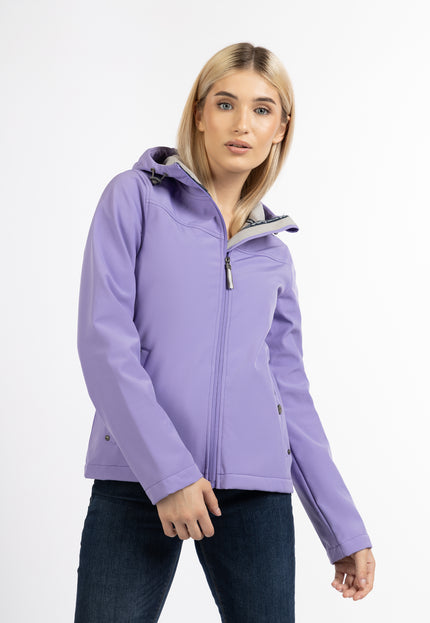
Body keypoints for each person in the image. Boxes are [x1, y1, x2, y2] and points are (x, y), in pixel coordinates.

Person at [73, 42, 375, 622]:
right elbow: (104, 342)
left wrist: (343, 528)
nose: (242, 124)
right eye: (225, 103)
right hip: (138, 477)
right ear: (198, 114)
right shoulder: (134, 199)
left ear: (280, 128)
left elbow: (290, 395)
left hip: (254, 493)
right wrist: (170, 475)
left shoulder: (273, 253)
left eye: (262, 110)